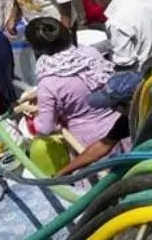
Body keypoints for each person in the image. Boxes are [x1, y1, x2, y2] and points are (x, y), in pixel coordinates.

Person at [26, 17, 123, 152]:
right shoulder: (90, 54)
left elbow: (46, 128)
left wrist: (35, 121)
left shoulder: (48, 82)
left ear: (36, 48)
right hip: (121, 126)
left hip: (90, 143)